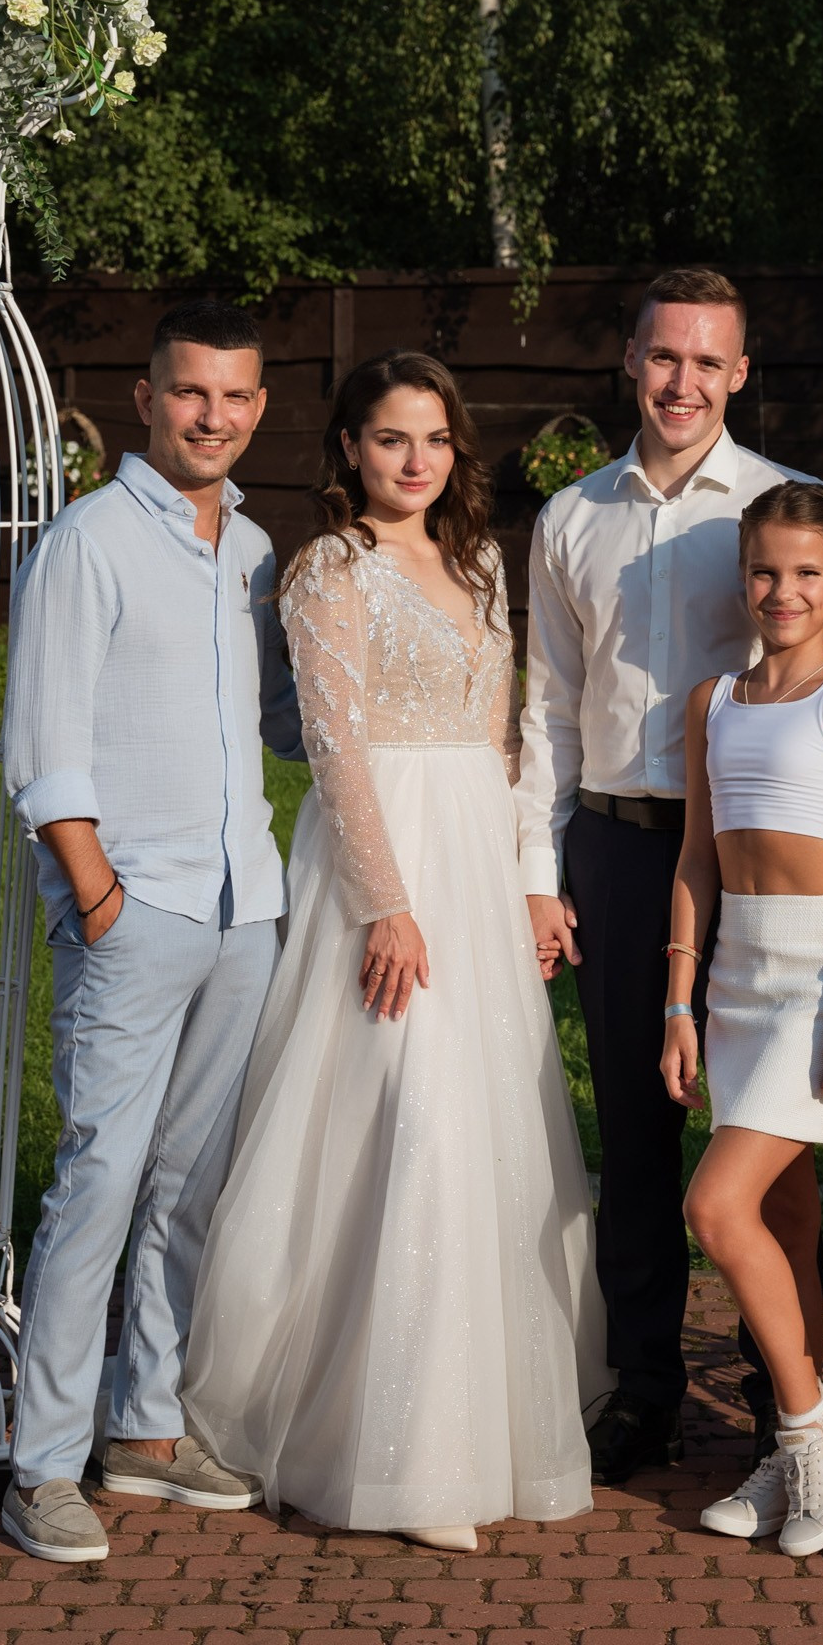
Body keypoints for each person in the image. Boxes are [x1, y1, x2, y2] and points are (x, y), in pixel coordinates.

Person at [183, 352, 606, 1550]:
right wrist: (385, 900)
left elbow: (506, 737)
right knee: (401, 1110)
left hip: (476, 855)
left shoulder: (474, 561)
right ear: (348, 450)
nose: (411, 460)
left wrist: (532, 883)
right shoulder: (327, 569)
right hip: (387, 864)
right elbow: (333, 746)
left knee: (479, 1123)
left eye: (430, 439)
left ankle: (477, 1427)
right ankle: (396, 1448)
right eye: (387, 439)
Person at [0, 300, 303, 1566]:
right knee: (100, 1181)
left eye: (234, 397)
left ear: (259, 407)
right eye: (190, 393)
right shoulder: (87, 541)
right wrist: (98, 893)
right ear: (144, 396)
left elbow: (289, 721)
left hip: (246, 908)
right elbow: (44, 741)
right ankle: (40, 1460)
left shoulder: (258, 549)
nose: (212, 416)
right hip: (137, 908)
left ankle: (147, 1427)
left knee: (191, 1184)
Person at [520, 267, 818, 1482]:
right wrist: (540, 868)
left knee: (763, 1135)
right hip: (611, 845)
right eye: (662, 356)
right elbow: (542, 703)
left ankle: (776, 1389)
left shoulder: (782, 511)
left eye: (708, 361)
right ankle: (643, 1388)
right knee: (636, 1134)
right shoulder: (568, 518)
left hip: (748, 857)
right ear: (629, 360)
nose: (682, 381)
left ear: (739, 373)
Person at [662, 483, 823, 1558]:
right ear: (743, 574)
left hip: (817, 981)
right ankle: (787, 1433)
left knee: (715, 1207)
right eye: (766, 570)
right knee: (788, 1218)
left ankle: (813, 1424)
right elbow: (694, 861)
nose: (784, 590)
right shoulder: (711, 699)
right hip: (734, 985)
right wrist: (678, 1001)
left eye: (807, 571)